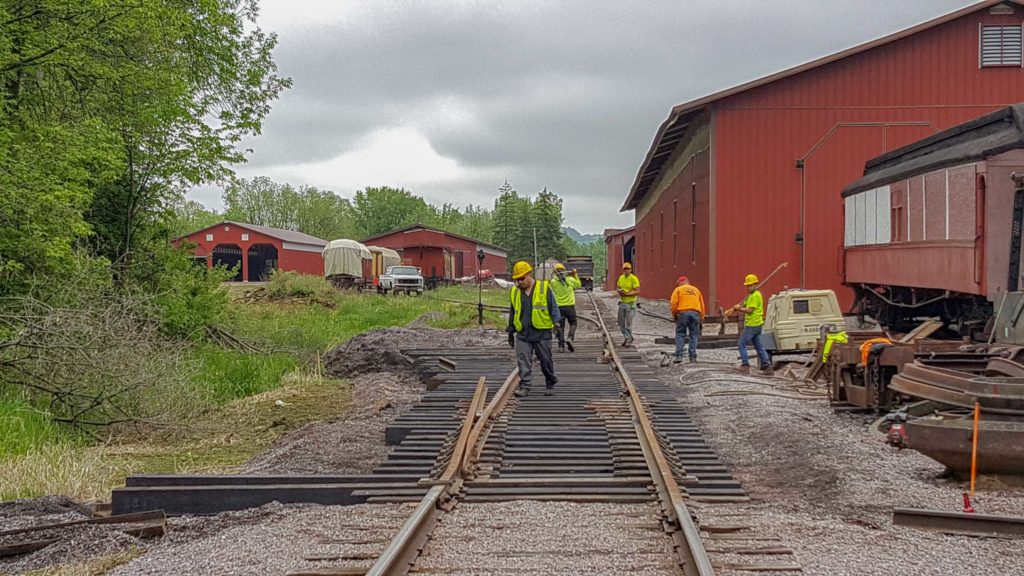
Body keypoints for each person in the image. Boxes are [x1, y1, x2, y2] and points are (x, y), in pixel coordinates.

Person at [507, 260, 561, 397]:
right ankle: (525, 385)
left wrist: (557, 323)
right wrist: (510, 331)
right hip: (523, 333)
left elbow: (553, 306)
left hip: (542, 332)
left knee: (545, 360)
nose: (519, 282)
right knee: (523, 360)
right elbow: (513, 312)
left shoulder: (543, 288)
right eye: (517, 279)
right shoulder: (515, 292)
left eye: (521, 279)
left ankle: (550, 381)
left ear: (529, 274)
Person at [736, 273, 772, 374]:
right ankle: (768, 366)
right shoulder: (752, 295)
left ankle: (745, 364)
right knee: (758, 346)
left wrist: (740, 309)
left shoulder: (755, 295)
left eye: (750, 285)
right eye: (747, 285)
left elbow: (750, 310)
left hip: (752, 325)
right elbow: (745, 304)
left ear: (756, 285)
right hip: (757, 325)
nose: (748, 287)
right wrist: (738, 306)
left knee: (741, 344)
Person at [670, 276, 704, 363]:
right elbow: (702, 304)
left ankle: (679, 356)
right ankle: (692, 357)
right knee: (693, 335)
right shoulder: (696, 290)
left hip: (683, 313)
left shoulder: (678, 290)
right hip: (695, 313)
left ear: (680, 282)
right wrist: (702, 317)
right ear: (688, 282)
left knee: (680, 334)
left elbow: (674, 303)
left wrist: (674, 315)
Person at [549, 263, 581, 352]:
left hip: (559, 308)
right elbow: (578, 285)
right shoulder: (570, 280)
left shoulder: (553, 282)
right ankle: (570, 338)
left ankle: (561, 346)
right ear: (564, 270)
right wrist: (575, 275)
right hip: (570, 306)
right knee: (573, 323)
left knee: (561, 327)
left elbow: (550, 291)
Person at [616, 262, 640, 347]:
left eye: (628, 269)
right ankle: (628, 337)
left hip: (631, 303)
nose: (626, 270)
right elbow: (618, 287)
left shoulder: (634, 278)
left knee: (628, 323)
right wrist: (619, 291)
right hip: (622, 303)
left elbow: (637, 291)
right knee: (620, 322)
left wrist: (627, 294)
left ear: (631, 269)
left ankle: (628, 339)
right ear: (623, 269)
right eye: (625, 269)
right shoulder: (621, 278)